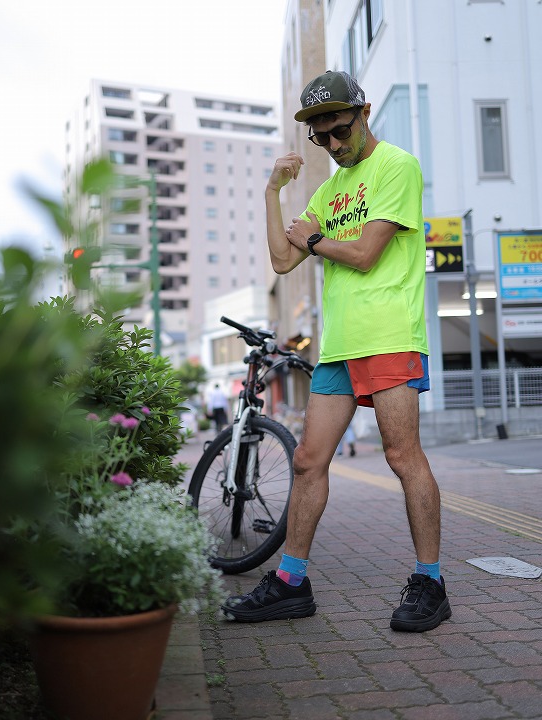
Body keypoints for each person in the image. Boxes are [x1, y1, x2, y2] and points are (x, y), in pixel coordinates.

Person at [221, 71, 451, 633]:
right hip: (341, 347)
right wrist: (273, 193)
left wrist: (316, 240)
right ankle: (291, 584)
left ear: (364, 113)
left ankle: (431, 581)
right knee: (307, 460)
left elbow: (368, 253)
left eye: (339, 131)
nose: (332, 144)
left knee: (402, 457)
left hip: (390, 335)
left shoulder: (396, 166)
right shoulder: (326, 192)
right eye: (321, 137)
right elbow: (282, 260)